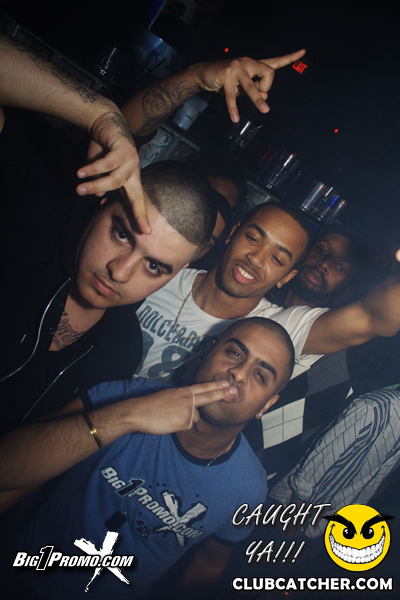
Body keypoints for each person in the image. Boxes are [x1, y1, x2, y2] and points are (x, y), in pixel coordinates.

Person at [0, 36, 218, 434]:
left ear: (177, 273)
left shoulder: (121, 350)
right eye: (121, 234)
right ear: (103, 201)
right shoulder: (30, 218)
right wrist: (101, 115)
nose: (120, 272)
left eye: (154, 266)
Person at [0, 318, 295, 599]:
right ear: (208, 351)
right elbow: (15, 468)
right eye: (235, 353)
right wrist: (127, 416)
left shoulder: (248, 487)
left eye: (260, 375)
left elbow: (210, 562)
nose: (239, 374)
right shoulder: (126, 395)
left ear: (267, 404)